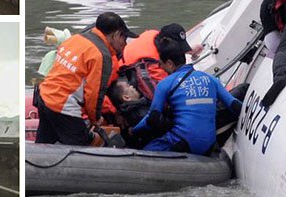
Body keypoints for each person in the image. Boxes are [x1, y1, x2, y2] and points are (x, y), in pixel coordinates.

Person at [34, 12, 138, 145]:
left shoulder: (75, 39)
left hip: (44, 96)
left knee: (44, 143)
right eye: (125, 38)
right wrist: (95, 119)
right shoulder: (101, 55)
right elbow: (93, 94)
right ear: (116, 34)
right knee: (82, 146)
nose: (125, 44)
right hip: (62, 105)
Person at [131, 38, 243, 155]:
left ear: (169, 63)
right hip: (209, 144)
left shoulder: (165, 84)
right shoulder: (210, 78)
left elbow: (152, 117)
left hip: (184, 142)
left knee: (142, 152)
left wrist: (134, 131)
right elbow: (234, 105)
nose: (160, 66)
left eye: (161, 63)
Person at [119, 23, 195, 100]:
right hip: (126, 75)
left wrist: (187, 51)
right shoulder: (153, 63)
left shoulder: (155, 34)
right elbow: (159, 93)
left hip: (127, 58)